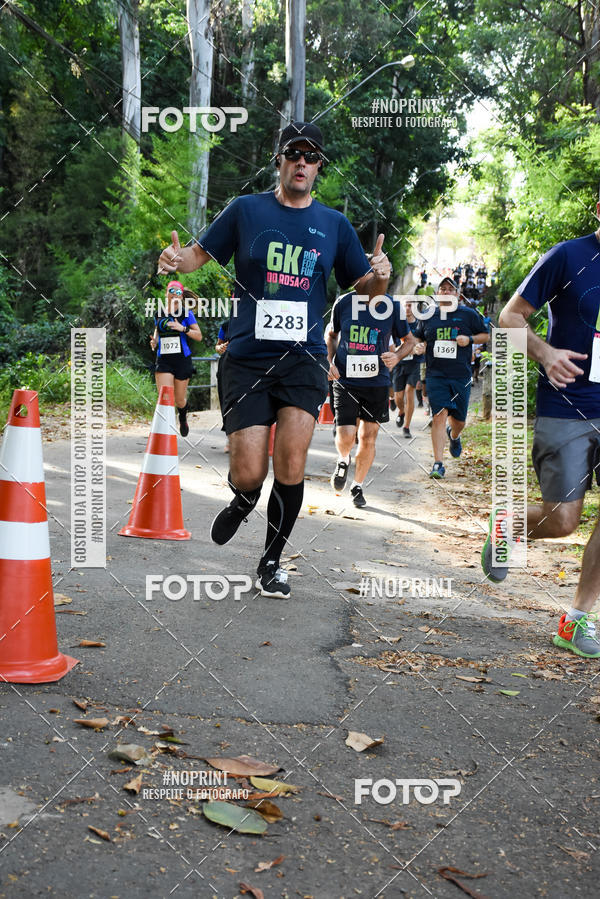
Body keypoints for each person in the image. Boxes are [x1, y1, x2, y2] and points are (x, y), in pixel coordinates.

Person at [157, 121, 391, 599]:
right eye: (293, 154)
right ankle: (244, 498)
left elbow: (364, 288)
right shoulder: (246, 210)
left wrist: (381, 275)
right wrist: (173, 260)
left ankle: (271, 561)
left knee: (291, 460)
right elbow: (197, 256)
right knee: (249, 471)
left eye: (311, 156)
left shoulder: (333, 224)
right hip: (246, 356)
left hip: (303, 359)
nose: (302, 162)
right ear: (280, 161)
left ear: (319, 167)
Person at [482, 219, 600, 659]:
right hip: (568, 405)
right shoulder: (567, 256)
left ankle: (576, 620)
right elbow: (510, 316)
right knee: (563, 520)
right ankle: (508, 526)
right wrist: (545, 352)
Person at [327, 293, 418, 506]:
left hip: (376, 381)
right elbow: (331, 335)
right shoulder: (344, 302)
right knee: (346, 434)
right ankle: (343, 459)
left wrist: (396, 356)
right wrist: (328, 361)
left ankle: (357, 486)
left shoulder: (392, 306)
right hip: (345, 378)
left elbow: (409, 340)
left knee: (368, 437)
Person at [413, 276, 489, 478]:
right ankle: (438, 463)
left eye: (450, 289)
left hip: (460, 375)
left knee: (459, 421)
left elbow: (486, 335)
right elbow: (418, 338)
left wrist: (470, 339)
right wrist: (419, 346)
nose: (446, 292)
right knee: (439, 416)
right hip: (436, 375)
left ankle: (454, 436)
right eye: (442, 289)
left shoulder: (468, 314)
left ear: (457, 294)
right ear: (437, 295)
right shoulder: (428, 316)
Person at [150, 280, 203, 437]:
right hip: (164, 360)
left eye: (178, 292)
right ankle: (165, 433)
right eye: (171, 291)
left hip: (182, 360)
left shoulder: (186, 313)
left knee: (179, 400)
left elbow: (199, 336)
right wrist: (154, 341)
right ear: (166, 293)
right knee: (165, 397)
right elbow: (157, 331)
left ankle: (182, 416)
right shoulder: (159, 312)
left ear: (181, 297)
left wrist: (183, 328)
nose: (175, 294)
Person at [391, 299, 425, 437]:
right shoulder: (397, 323)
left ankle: (406, 427)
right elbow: (392, 344)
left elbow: (424, 341)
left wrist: (422, 348)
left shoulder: (420, 323)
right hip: (399, 362)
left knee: (409, 391)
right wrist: (404, 350)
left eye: (410, 305)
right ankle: (401, 411)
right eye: (405, 305)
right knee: (398, 396)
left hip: (415, 363)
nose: (408, 308)